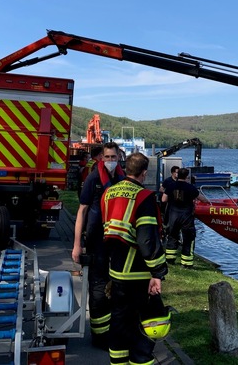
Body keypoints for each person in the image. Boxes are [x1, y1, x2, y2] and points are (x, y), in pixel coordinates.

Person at [101, 152, 168, 365]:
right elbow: (147, 240)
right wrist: (158, 272)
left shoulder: (109, 193)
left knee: (119, 324)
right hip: (138, 272)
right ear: (144, 172)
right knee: (143, 328)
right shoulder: (144, 197)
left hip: (116, 269)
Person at [71, 141, 125, 349]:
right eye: (107, 157)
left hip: (117, 239)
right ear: (101, 158)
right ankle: (99, 336)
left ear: (119, 157)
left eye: (114, 157)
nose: (111, 161)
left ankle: (114, 330)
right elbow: (81, 211)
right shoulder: (93, 178)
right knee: (98, 288)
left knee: (118, 286)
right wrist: (77, 245)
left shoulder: (121, 178)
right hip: (96, 239)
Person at [162, 167, 204, 268]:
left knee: (172, 236)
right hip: (186, 216)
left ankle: (170, 259)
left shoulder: (171, 186)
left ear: (177, 175)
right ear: (186, 177)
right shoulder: (190, 188)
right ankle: (186, 263)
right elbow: (202, 198)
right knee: (188, 238)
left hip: (173, 215)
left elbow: (163, 199)